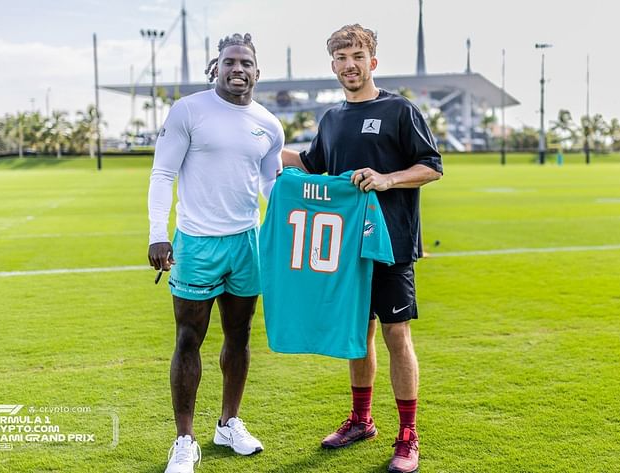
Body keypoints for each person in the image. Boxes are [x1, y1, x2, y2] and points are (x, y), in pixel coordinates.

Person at [281, 24, 442, 473]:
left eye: (357, 56)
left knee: (396, 335)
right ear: (332, 65)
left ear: (372, 61)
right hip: (344, 249)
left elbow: (432, 166)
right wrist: (262, 142)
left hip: (391, 244)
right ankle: (361, 420)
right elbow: (312, 166)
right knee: (358, 335)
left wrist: (388, 178)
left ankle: (408, 435)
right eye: (340, 57)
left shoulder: (399, 110)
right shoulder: (331, 118)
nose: (348, 64)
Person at [147, 33, 283, 473]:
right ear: (216, 68)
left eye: (246, 62)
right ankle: (184, 440)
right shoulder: (189, 110)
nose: (238, 68)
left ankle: (228, 423)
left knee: (240, 336)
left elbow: (267, 184)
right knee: (189, 337)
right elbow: (163, 171)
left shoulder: (269, 124)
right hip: (196, 241)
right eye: (230, 62)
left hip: (247, 241)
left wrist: (305, 198)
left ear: (257, 72)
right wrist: (158, 233)